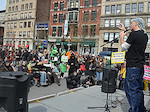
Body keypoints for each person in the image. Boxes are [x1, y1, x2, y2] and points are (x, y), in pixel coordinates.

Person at [119, 18, 148, 112]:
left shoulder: (134, 35)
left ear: (136, 24)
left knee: (131, 91)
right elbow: (133, 40)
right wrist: (125, 30)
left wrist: (122, 37)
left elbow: (124, 47)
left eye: (131, 23)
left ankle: (134, 110)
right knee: (138, 90)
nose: (130, 25)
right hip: (139, 66)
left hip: (132, 66)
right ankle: (141, 109)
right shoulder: (144, 35)